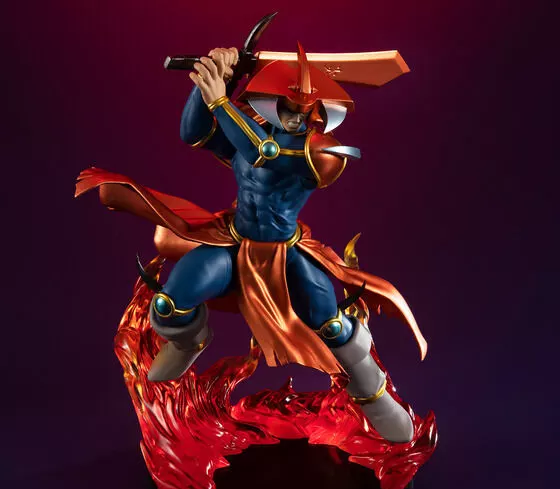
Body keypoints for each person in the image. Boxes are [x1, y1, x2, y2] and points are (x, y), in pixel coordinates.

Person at [76, 44, 428, 443]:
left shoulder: (321, 152)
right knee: (168, 305)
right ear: (274, 105)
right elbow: (195, 133)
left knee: (332, 324)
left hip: (284, 254)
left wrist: (221, 99)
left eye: (304, 112)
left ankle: (375, 397)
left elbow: (265, 154)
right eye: (288, 109)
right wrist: (210, 81)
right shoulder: (249, 133)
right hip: (234, 244)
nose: (296, 118)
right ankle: (189, 341)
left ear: (318, 113)